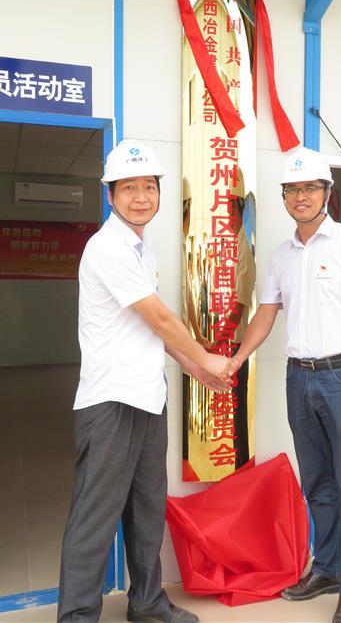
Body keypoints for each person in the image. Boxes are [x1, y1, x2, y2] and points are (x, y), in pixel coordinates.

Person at [58, 140, 231, 623]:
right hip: (111, 402)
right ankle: (76, 616)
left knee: (147, 508)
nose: (140, 197)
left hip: (148, 397)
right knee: (95, 517)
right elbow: (159, 318)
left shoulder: (140, 246)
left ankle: (147, 602)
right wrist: (206, 358)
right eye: (129, 188)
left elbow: (147, 327)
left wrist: (195, 369)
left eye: (149, 187)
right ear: (110, 194)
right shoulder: (108, 247)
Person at [228, 147, 341, 623]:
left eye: (310, 188)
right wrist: (237, 359)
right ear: (285, 196)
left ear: (326, 192)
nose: (301, 197)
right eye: (293, 189)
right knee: (317, 482)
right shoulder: (282, 256)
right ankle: (328, 568)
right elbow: (266, 314)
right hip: (299, 378)